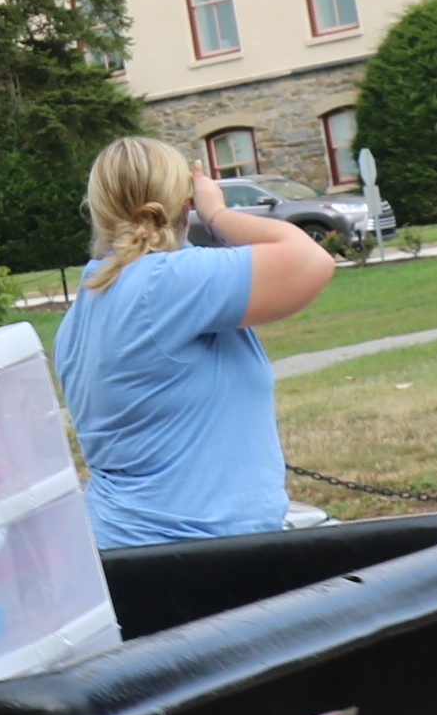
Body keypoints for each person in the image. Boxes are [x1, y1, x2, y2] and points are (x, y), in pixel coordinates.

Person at [53, 137, 337, 547]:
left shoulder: (88, 304)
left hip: (130, 546)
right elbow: (310, 260)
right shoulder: (164, 283)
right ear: (185, 203)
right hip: (190, 552)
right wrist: (218, 213)